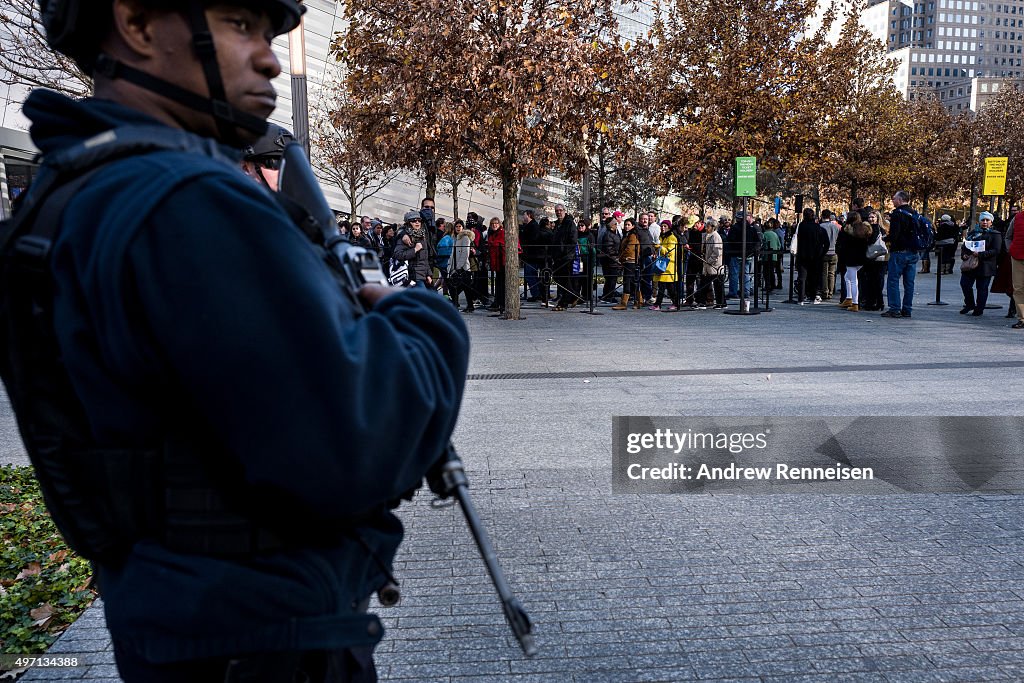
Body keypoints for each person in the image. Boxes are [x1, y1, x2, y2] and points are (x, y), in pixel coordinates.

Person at [5, 2, 470, 681]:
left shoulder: (71, 188)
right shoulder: (187, 200)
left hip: (174, 617)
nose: (270, 56)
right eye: (239, 24)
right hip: (265, 635)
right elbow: (359, 441)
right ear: (136, 23)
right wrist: (423, 320)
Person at [882, 191, 921, 319]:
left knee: (893, 280)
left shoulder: (897, 214)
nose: (892, 201)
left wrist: (885, 239)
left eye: (894, 198)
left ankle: (895, 308)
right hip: (913, 252)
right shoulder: (914, 213)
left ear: (900, 199)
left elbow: (894, 235)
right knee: (909, 283)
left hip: (899, 252)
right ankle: (907, 309)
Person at [959, 211, 1003, 316]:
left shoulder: (995, 234)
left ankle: (979, 309)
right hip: (971, 265)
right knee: (965, 284)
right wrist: (964, 254)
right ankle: (969, 304)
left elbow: (996, 250)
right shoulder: (973, 233)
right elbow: (965, 246)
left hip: (985, 266)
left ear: (991, 222)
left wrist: (980, 254)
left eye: (987, 220)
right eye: (983, 220)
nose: (985, 222)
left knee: (982, 288)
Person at [836, 211, 873, 312]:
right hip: (862, 257)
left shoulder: (847, 230)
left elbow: (842, 245)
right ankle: (849, 298)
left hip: (851, 258)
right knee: (848, 277)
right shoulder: (864, 229)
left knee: (852, 280)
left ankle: (854, 302)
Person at [393, 210, 434, 287]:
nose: (417, 222)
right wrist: (415, 250)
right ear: (408, 223)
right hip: (412, 276)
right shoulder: (405, 237)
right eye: (414, 221)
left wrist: (428, 274)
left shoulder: (422, 236)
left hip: (423, 276)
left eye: (419, 220)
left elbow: (425, 260)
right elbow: (398, 255)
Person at [795, 208, 827, 304]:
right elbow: (826, 242)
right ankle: (814, 295)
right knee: (814, 276)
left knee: (802, 277)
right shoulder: (818, 227)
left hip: (803, 255)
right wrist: (822, 253)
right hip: (816, 256)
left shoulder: (801, 226)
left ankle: (801, 298)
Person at [650, 220, 681, 311]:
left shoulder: (671, 237)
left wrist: (659, 247)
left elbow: (670, 252)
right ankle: (673, 303)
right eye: (662, 226)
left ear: (669, 228)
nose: (663, 228)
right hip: (662, 264)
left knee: (666, 286)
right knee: (665, 286)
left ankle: (659, 304)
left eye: (665, 226)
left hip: (668, 265)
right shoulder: (662, 236)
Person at [613, 217, 640, 310]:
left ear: (633, 226)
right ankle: (638, 300)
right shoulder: (628, 235)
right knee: (632, 281)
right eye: (625, 224)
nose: (626, 226)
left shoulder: (632, 235)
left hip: (630, 260)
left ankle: (624, 303)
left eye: (629, 225)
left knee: (628, 281)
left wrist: (620, 258)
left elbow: (630, 248)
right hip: (628, 260)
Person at [702, 219, 725, 309]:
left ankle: (720, 303)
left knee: (717, 284)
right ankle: (720, 302)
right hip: (708, 264)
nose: (706, 228)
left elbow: (717, 251)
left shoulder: (716, 236)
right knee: (713, 284)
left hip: (714, 265)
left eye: (708, 226)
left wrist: (710, 260)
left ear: (713, 227)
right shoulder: (708, 236)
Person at [599, 214, 622, 303]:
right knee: (611, 279)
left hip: (612, 259)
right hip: (611, 260)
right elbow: (608, 249)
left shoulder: (613, 233)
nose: (616, 225)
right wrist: (617, 254)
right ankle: (609, 296)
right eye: (615, 224)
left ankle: (606, 295)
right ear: (611, 226)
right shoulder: (608, 235)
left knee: (611, 279)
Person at [819, 209, 841, 300]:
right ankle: (831, 292)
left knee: (824, 273)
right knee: (832, 273)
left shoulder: (821, 227)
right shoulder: (835, 227)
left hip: (825, 252)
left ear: (822, 216)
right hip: (834, 252)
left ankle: (825, 291)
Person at [487, 217, 507, 314]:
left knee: (502, 283)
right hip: (496, 262)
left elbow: (500, 244)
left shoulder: (501, 233)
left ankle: (501, 304)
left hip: (501, 262)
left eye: (496, 223)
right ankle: (498, 302)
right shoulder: (492, 234)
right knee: (498, 283)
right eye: (493, 224)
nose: (494, 225)